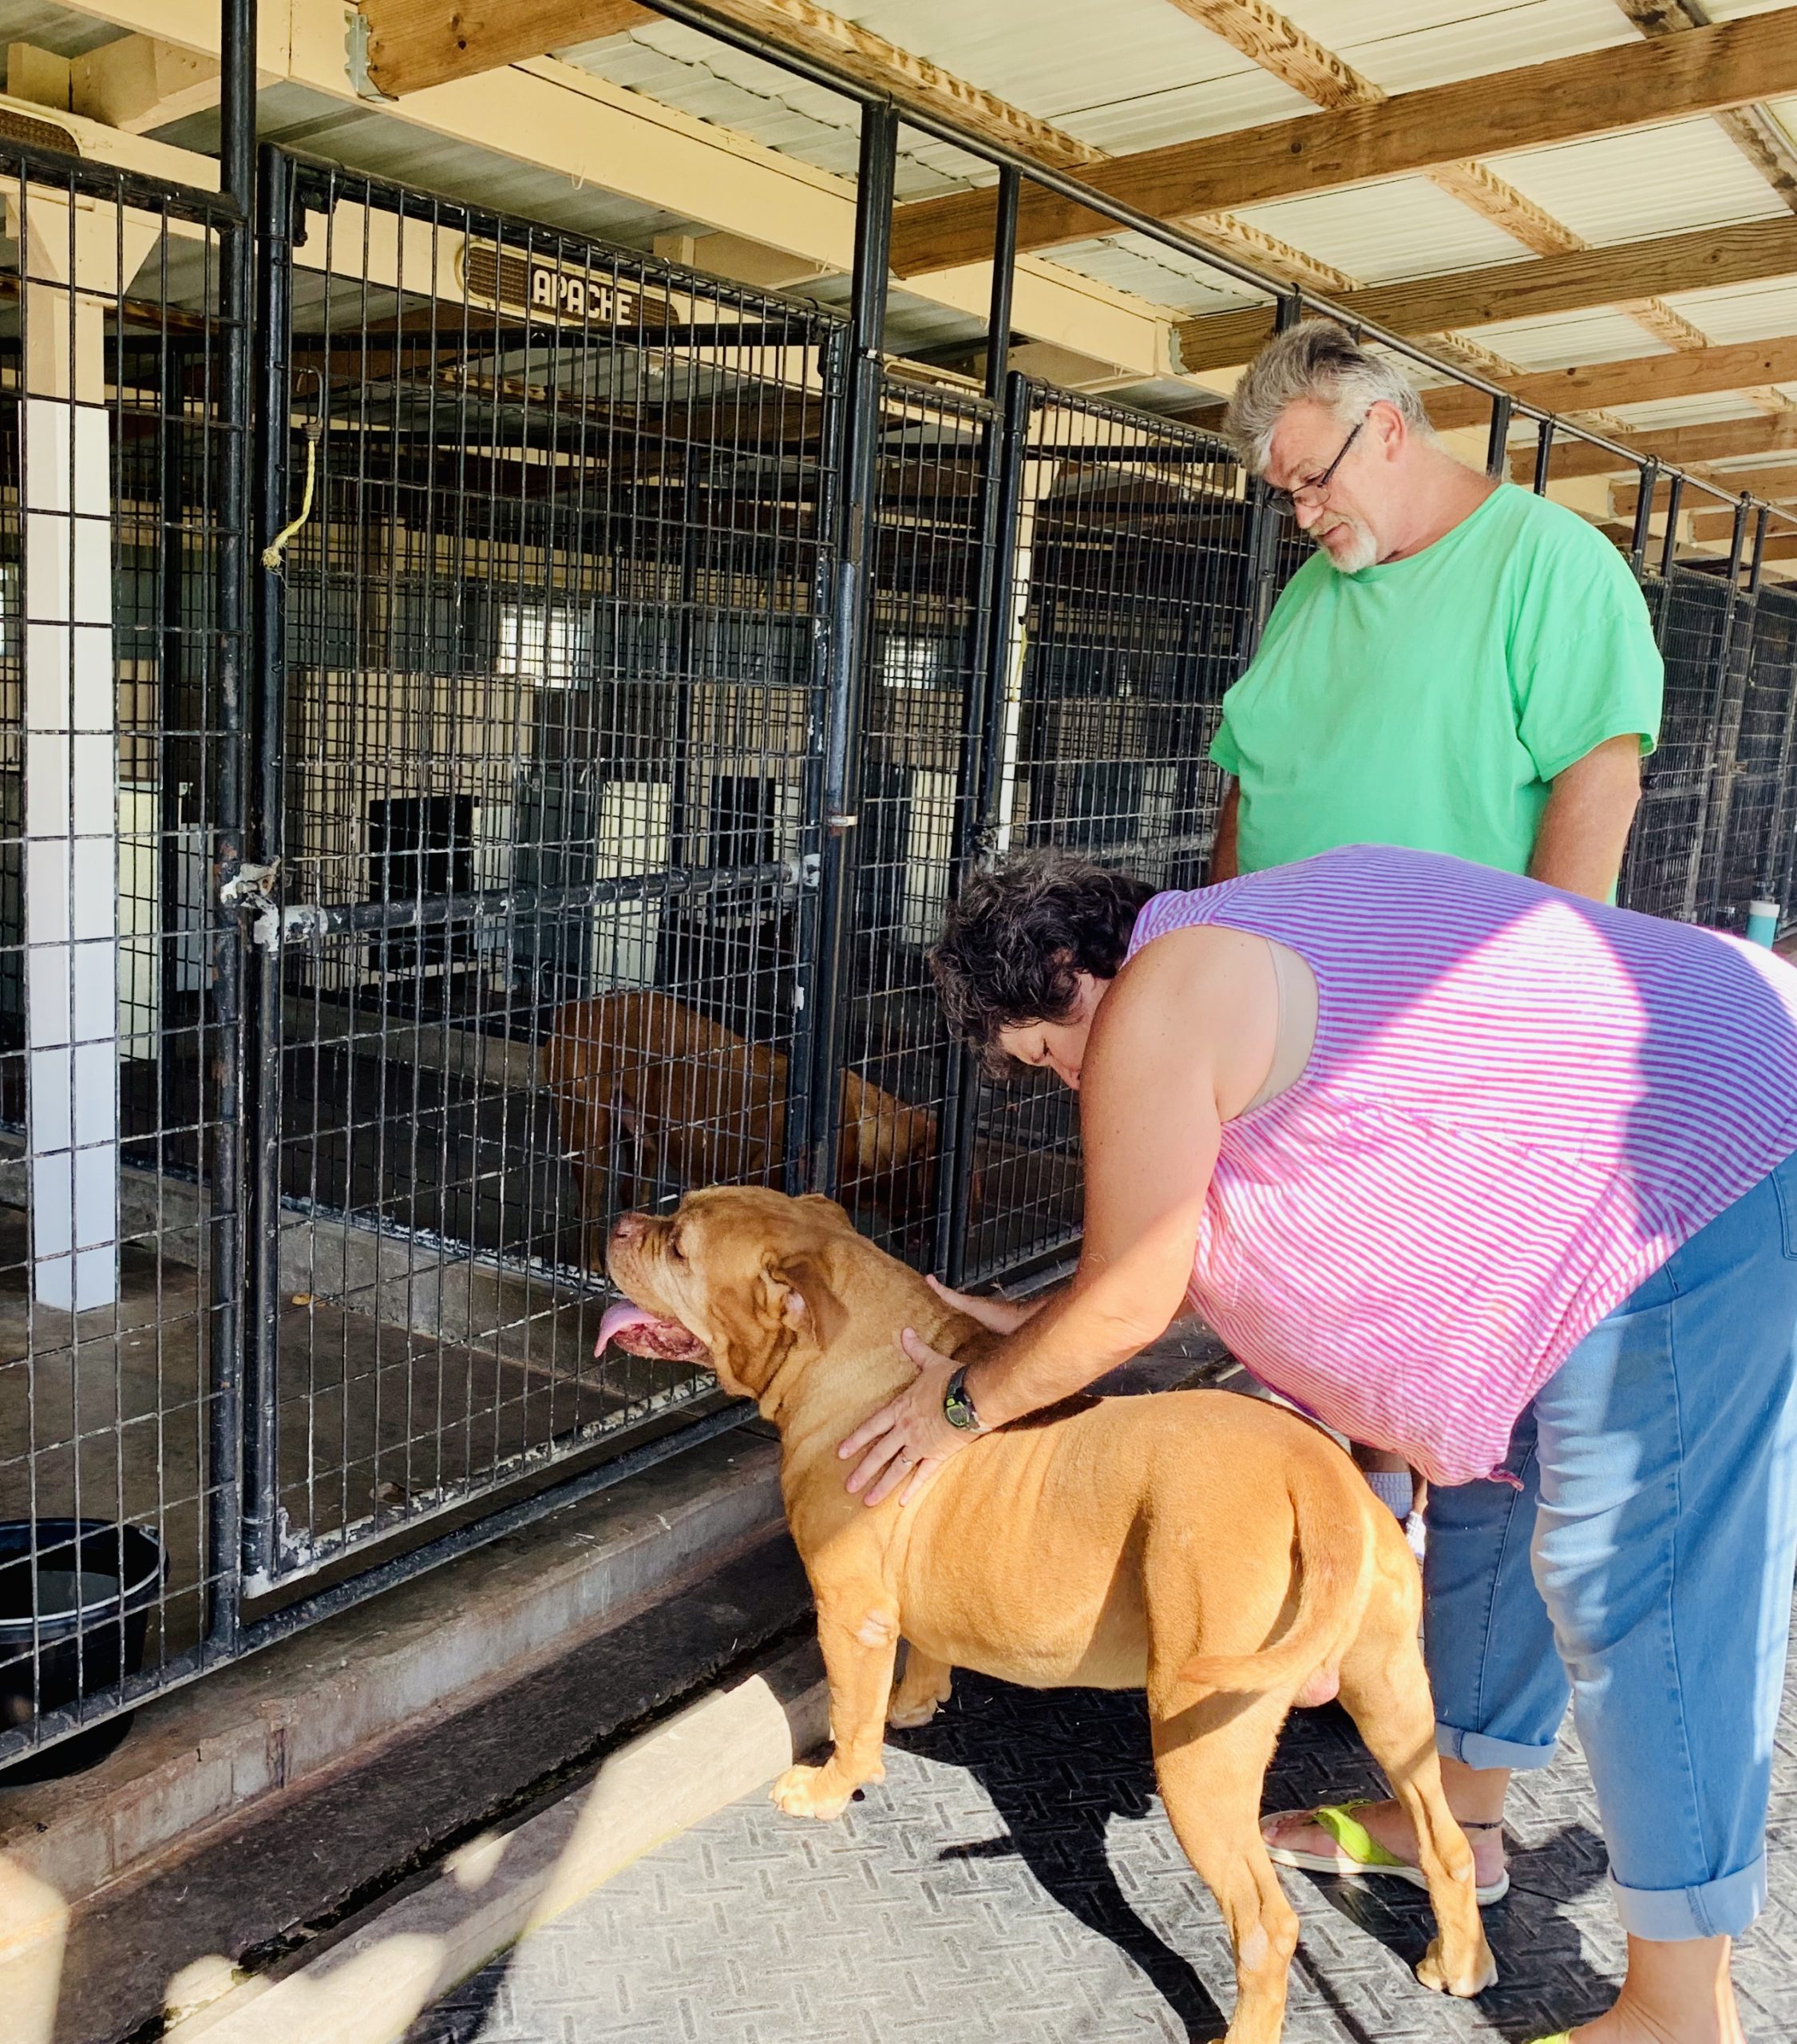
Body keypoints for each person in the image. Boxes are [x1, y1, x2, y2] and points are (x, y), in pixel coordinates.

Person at [840, 845, 1797, 2044]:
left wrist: (961, 1405)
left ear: (1066, 967)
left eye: (1047, 1051)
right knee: (1496, 1507)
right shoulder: (1234, 934)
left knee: (1641, 1585)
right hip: (1634, 1161)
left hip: (1699, 1160)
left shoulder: (1160, 994)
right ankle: (1457, 1822)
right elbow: (1183, 1257)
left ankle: (1679, 2014)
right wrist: (1041, 1330)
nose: (1071, 1082)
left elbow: (1133, 1297)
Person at [1209, 319, 1665, 1525]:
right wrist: (1200, 946)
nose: (1301, 514)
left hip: (1441, 1043)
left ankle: (1428, 1624)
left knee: (1444, 1340)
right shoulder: (1315, 591)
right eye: (1284, 496)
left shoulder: (1551, 566)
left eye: (1312, 480)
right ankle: (1346, 1553)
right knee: (1323, 1321)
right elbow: (1247, 780)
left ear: (1392, 427)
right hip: (1283, 1041)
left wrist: (1532, 1027)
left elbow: (1596, 782)